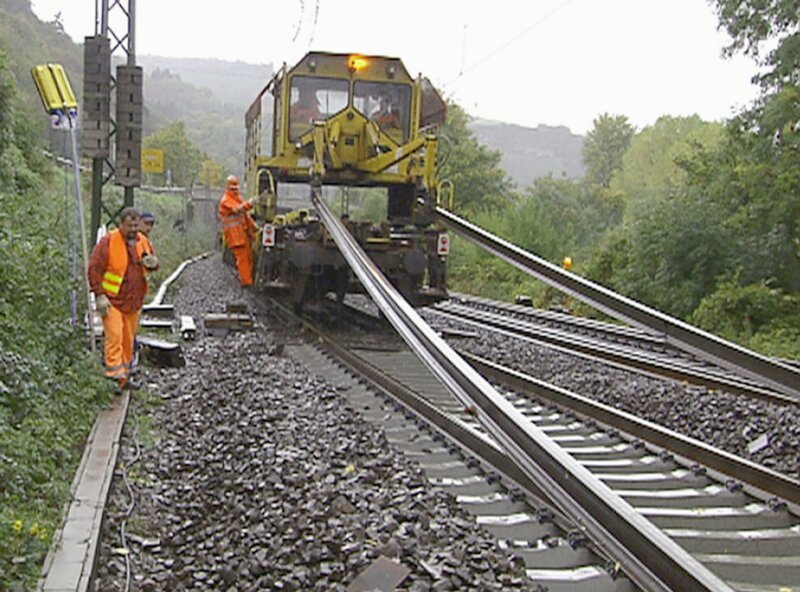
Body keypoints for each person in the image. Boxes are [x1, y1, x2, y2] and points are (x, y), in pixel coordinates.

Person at [88, 207, 159, 392]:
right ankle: (113, 378)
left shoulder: (143, 241)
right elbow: (94, 269)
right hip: (112, 301)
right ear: (121, 224)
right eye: (130, 226)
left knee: (128, 340)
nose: (134, 231)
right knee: (115, 337)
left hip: (134, 301)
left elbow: (151, 261)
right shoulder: (108, 242)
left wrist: (153, 264)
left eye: (136, 226)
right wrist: (99, 294)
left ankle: (124, 376)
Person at [219, 175, 256, 286]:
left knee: (248, 257)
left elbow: (244, 216)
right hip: (235, 236)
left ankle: (248, 280)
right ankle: (246, 282)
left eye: (236, 188)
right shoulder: (225, 201)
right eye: (233, 189)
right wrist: (251, 202)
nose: (235, 191)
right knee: (242, 259)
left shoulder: (236, 198)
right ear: (228, 188)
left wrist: (253, 227)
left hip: (242, 234)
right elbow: (238, 209)